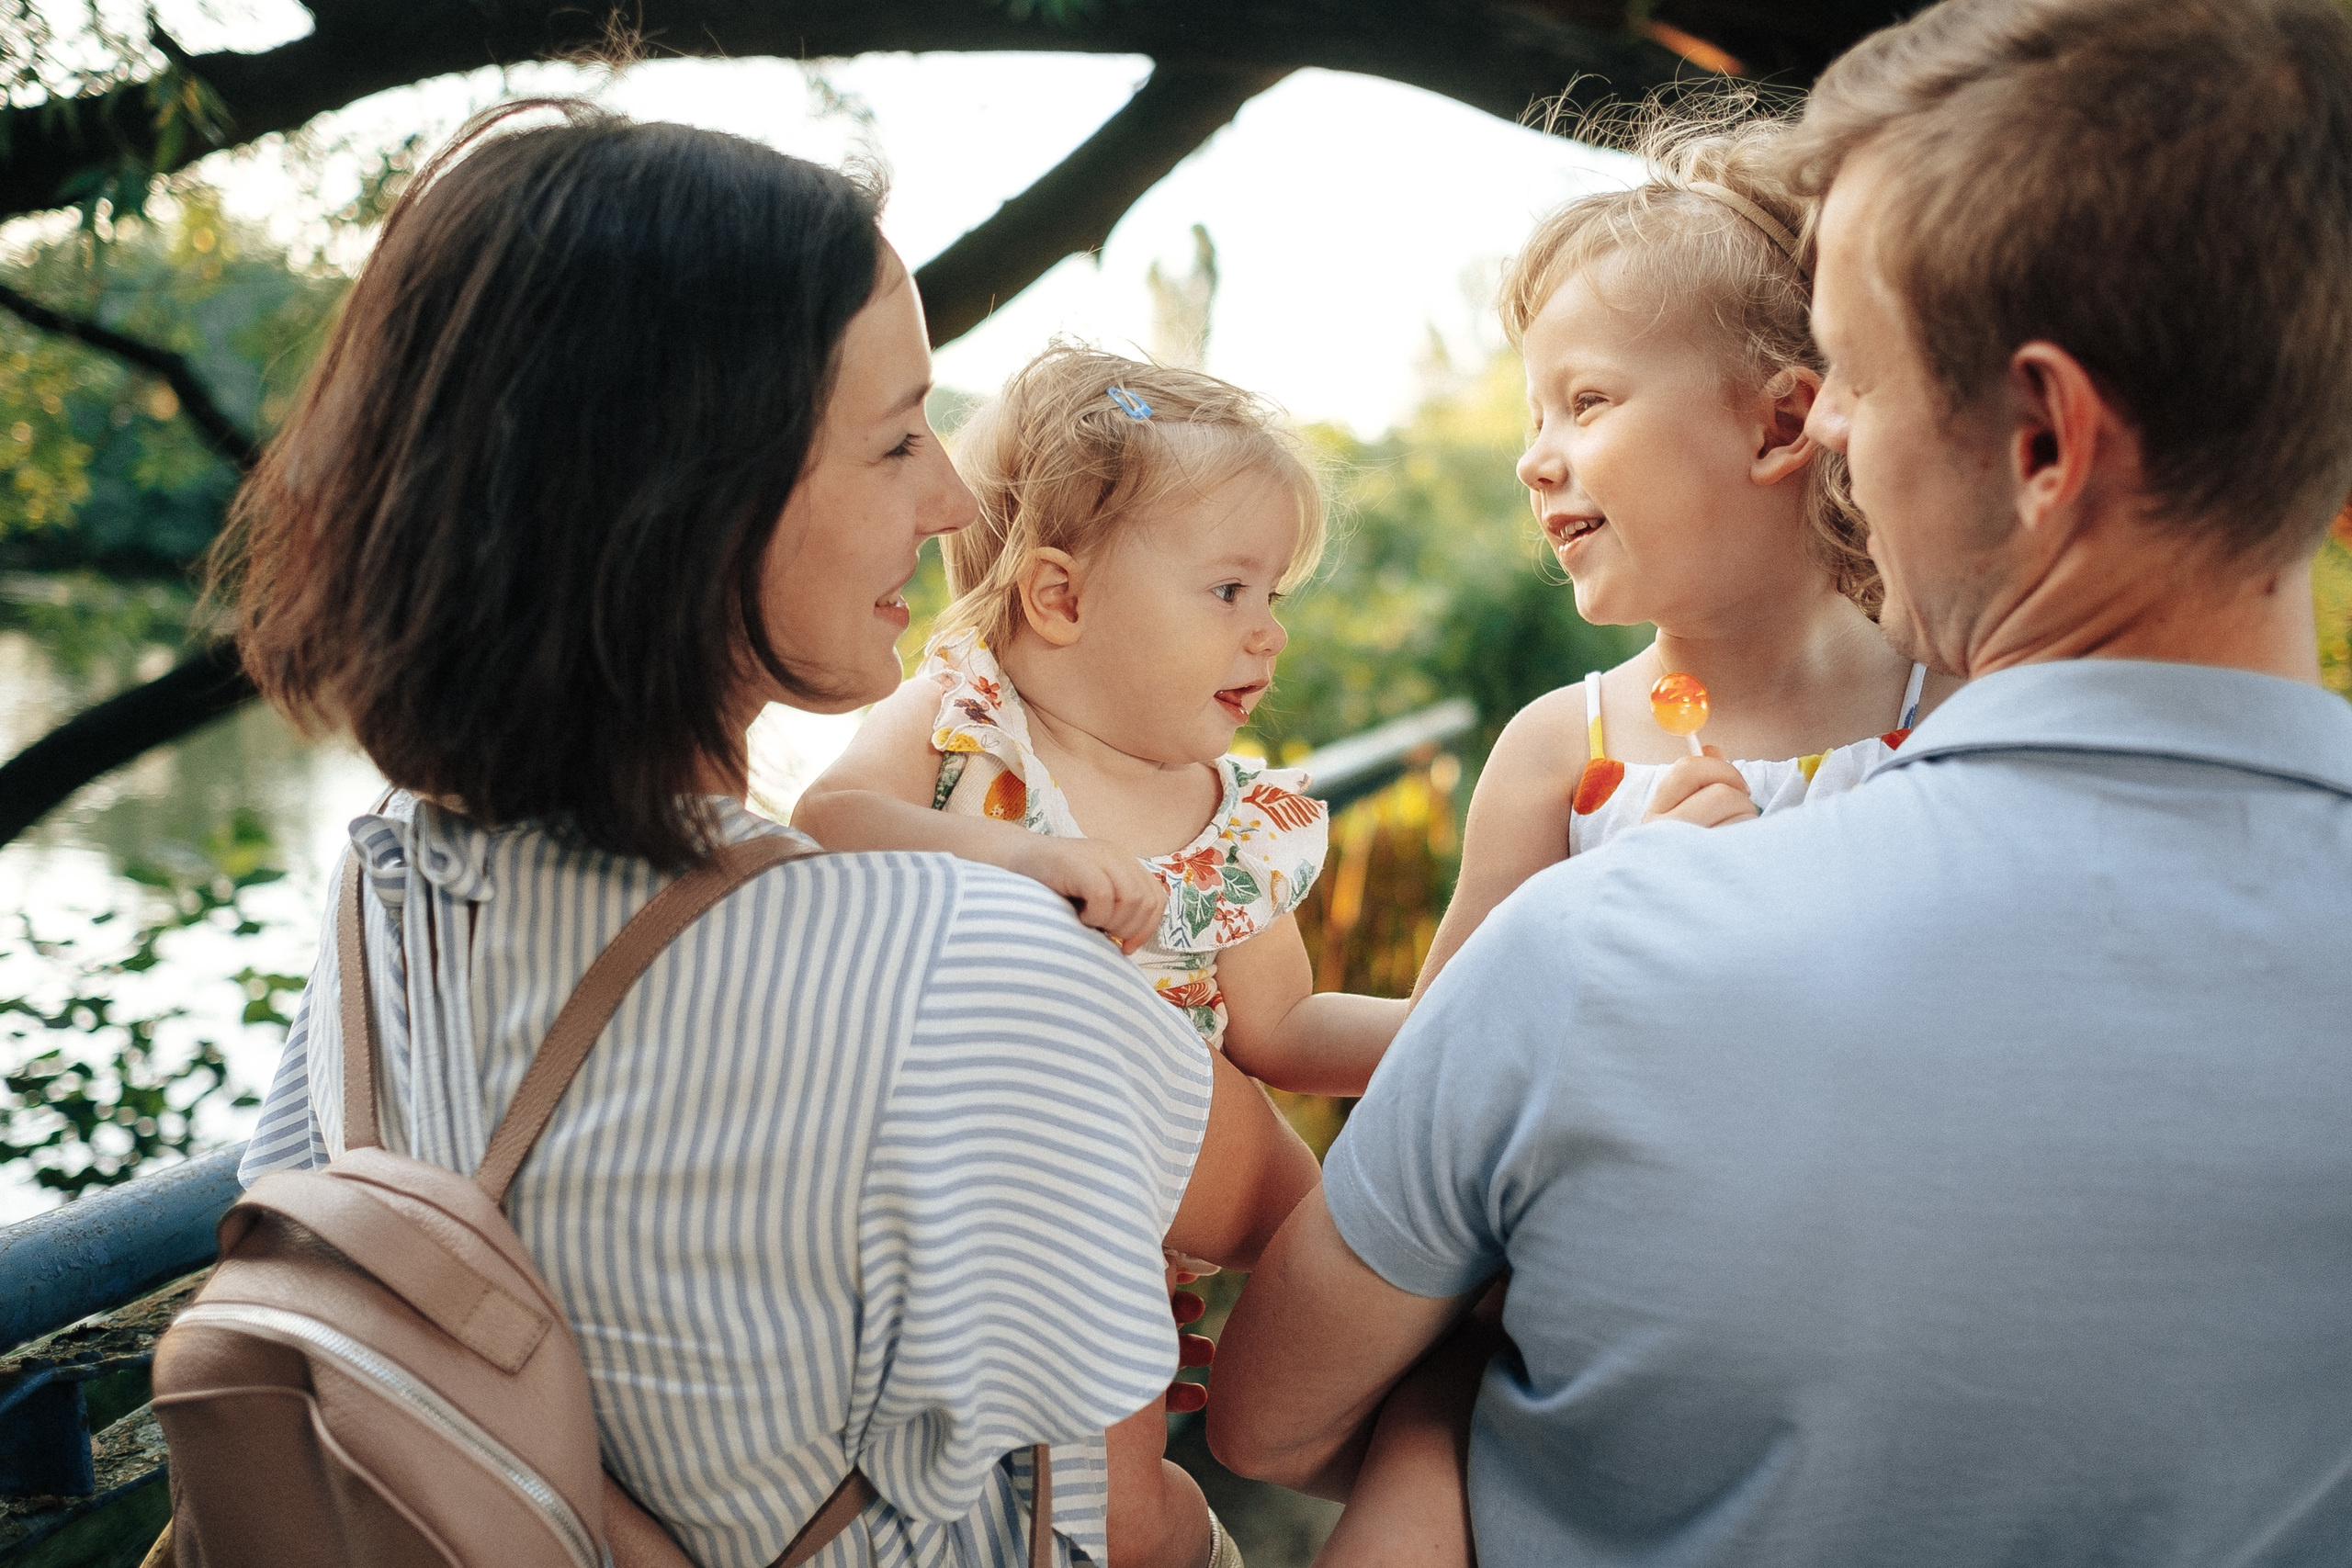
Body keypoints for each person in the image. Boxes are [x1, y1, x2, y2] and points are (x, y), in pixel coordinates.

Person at [1211, 2, 2352, 1564]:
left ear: (2039, 440)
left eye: (1857, 383)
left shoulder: (1601, 950)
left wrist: (1462, 1409)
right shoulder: (1578, 773)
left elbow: (1268, 1418)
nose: (1837, 444)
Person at [221, 102, 1315, 1568]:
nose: (948, 502)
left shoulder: (390, 898)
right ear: (697, 500)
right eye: (894, 441)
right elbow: (1299, 1291)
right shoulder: (969, 961)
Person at [1311, 97, 1968, 1568]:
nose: (1535, 455)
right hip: (1616, 1365)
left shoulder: (1960, 710)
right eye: (1534, 411)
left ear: (1784, 420)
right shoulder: (1565, 754)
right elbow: (1449, 1066)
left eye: (1586, 402)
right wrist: (1247, 1026)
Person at [794, 346, 1405, 1097]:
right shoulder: (960, 722)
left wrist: (1452, 1024)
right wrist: (1018, 858)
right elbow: (827, 824)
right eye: (1228, 590)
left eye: (1269, 597)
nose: (1269, 633)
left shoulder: (1237, 830)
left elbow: (1286, 1031)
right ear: (1062, 599)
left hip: (1147, 1204)